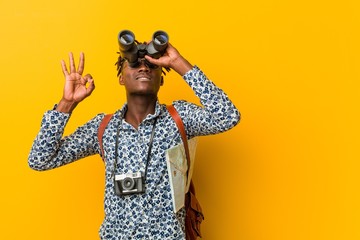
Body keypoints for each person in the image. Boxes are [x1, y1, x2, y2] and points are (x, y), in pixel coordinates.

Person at [28, 35, 241, 239]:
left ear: (162, 78)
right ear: (121, 78)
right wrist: (67, 103)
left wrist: (178, 62)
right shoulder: (103, 127)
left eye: (152, 64)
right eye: (134, 63)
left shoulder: (180, 118)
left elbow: (228, 116)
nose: (143, 67)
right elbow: (40, 159)